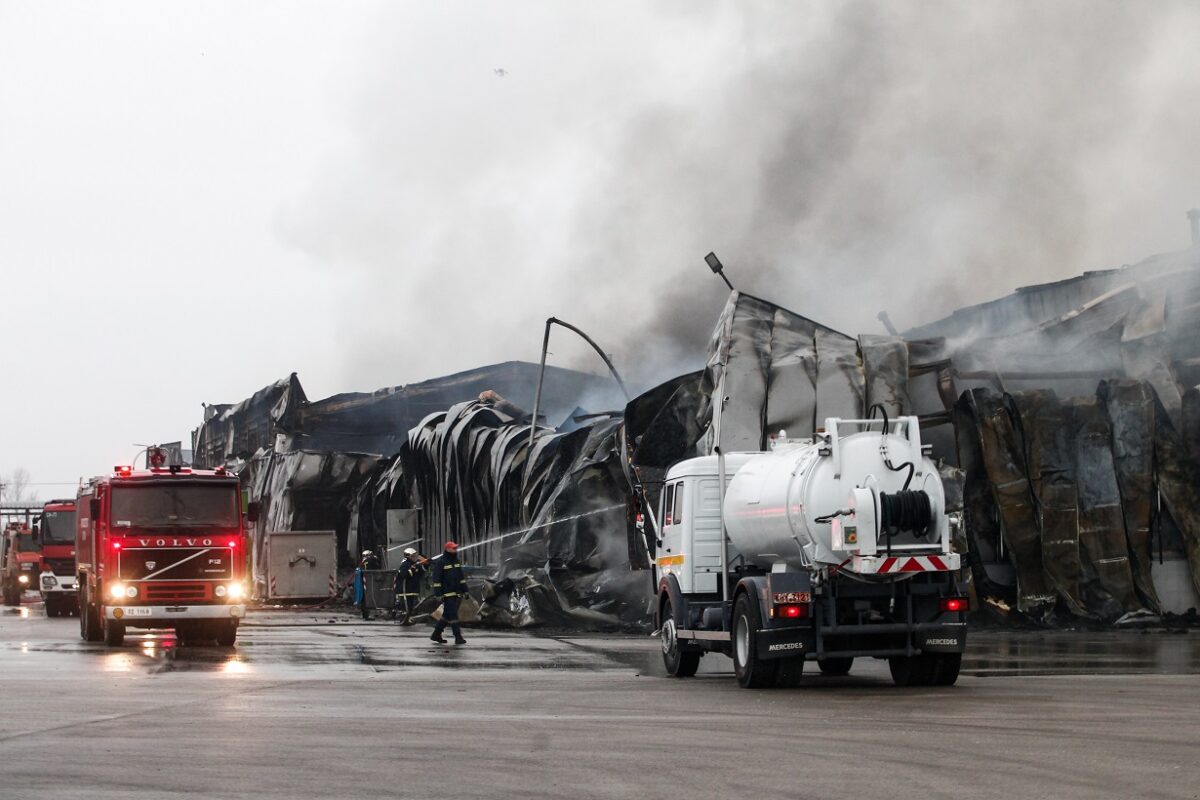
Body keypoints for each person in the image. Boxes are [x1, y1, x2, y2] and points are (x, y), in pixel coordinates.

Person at [429, 541, 467, 645]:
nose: (456, 550)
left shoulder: (456, 561)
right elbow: (436, 580)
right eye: (453, 548)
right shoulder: (441, 562)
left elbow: (461, 578)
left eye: (456, 548)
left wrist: (465, 590)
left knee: (447, 616)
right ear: (447, 549)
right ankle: (458, 637)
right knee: (453, 615)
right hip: (446, 594)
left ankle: (436, 634)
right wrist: (438, 594)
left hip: (455, 593)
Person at [392, 547, 428, 624]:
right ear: (408, 557)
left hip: (412, 589)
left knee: (411, 607)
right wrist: (413, 568)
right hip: (406, 590)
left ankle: (407, 620)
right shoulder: (405, 564)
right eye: (413, 556)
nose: (415, 558)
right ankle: (403, 620)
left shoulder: (415, 564)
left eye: (415, 556)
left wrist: (426, 563)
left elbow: (421, 572)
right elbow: (404, 575)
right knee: (406, 607)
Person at [355, 550, 380, 621]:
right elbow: (377, 568)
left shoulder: (362, 562)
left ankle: (364, 614)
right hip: (369, 581)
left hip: (362, 583)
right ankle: (367, 615)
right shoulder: (372, 560)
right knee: (368, 598)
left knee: (364, 598)